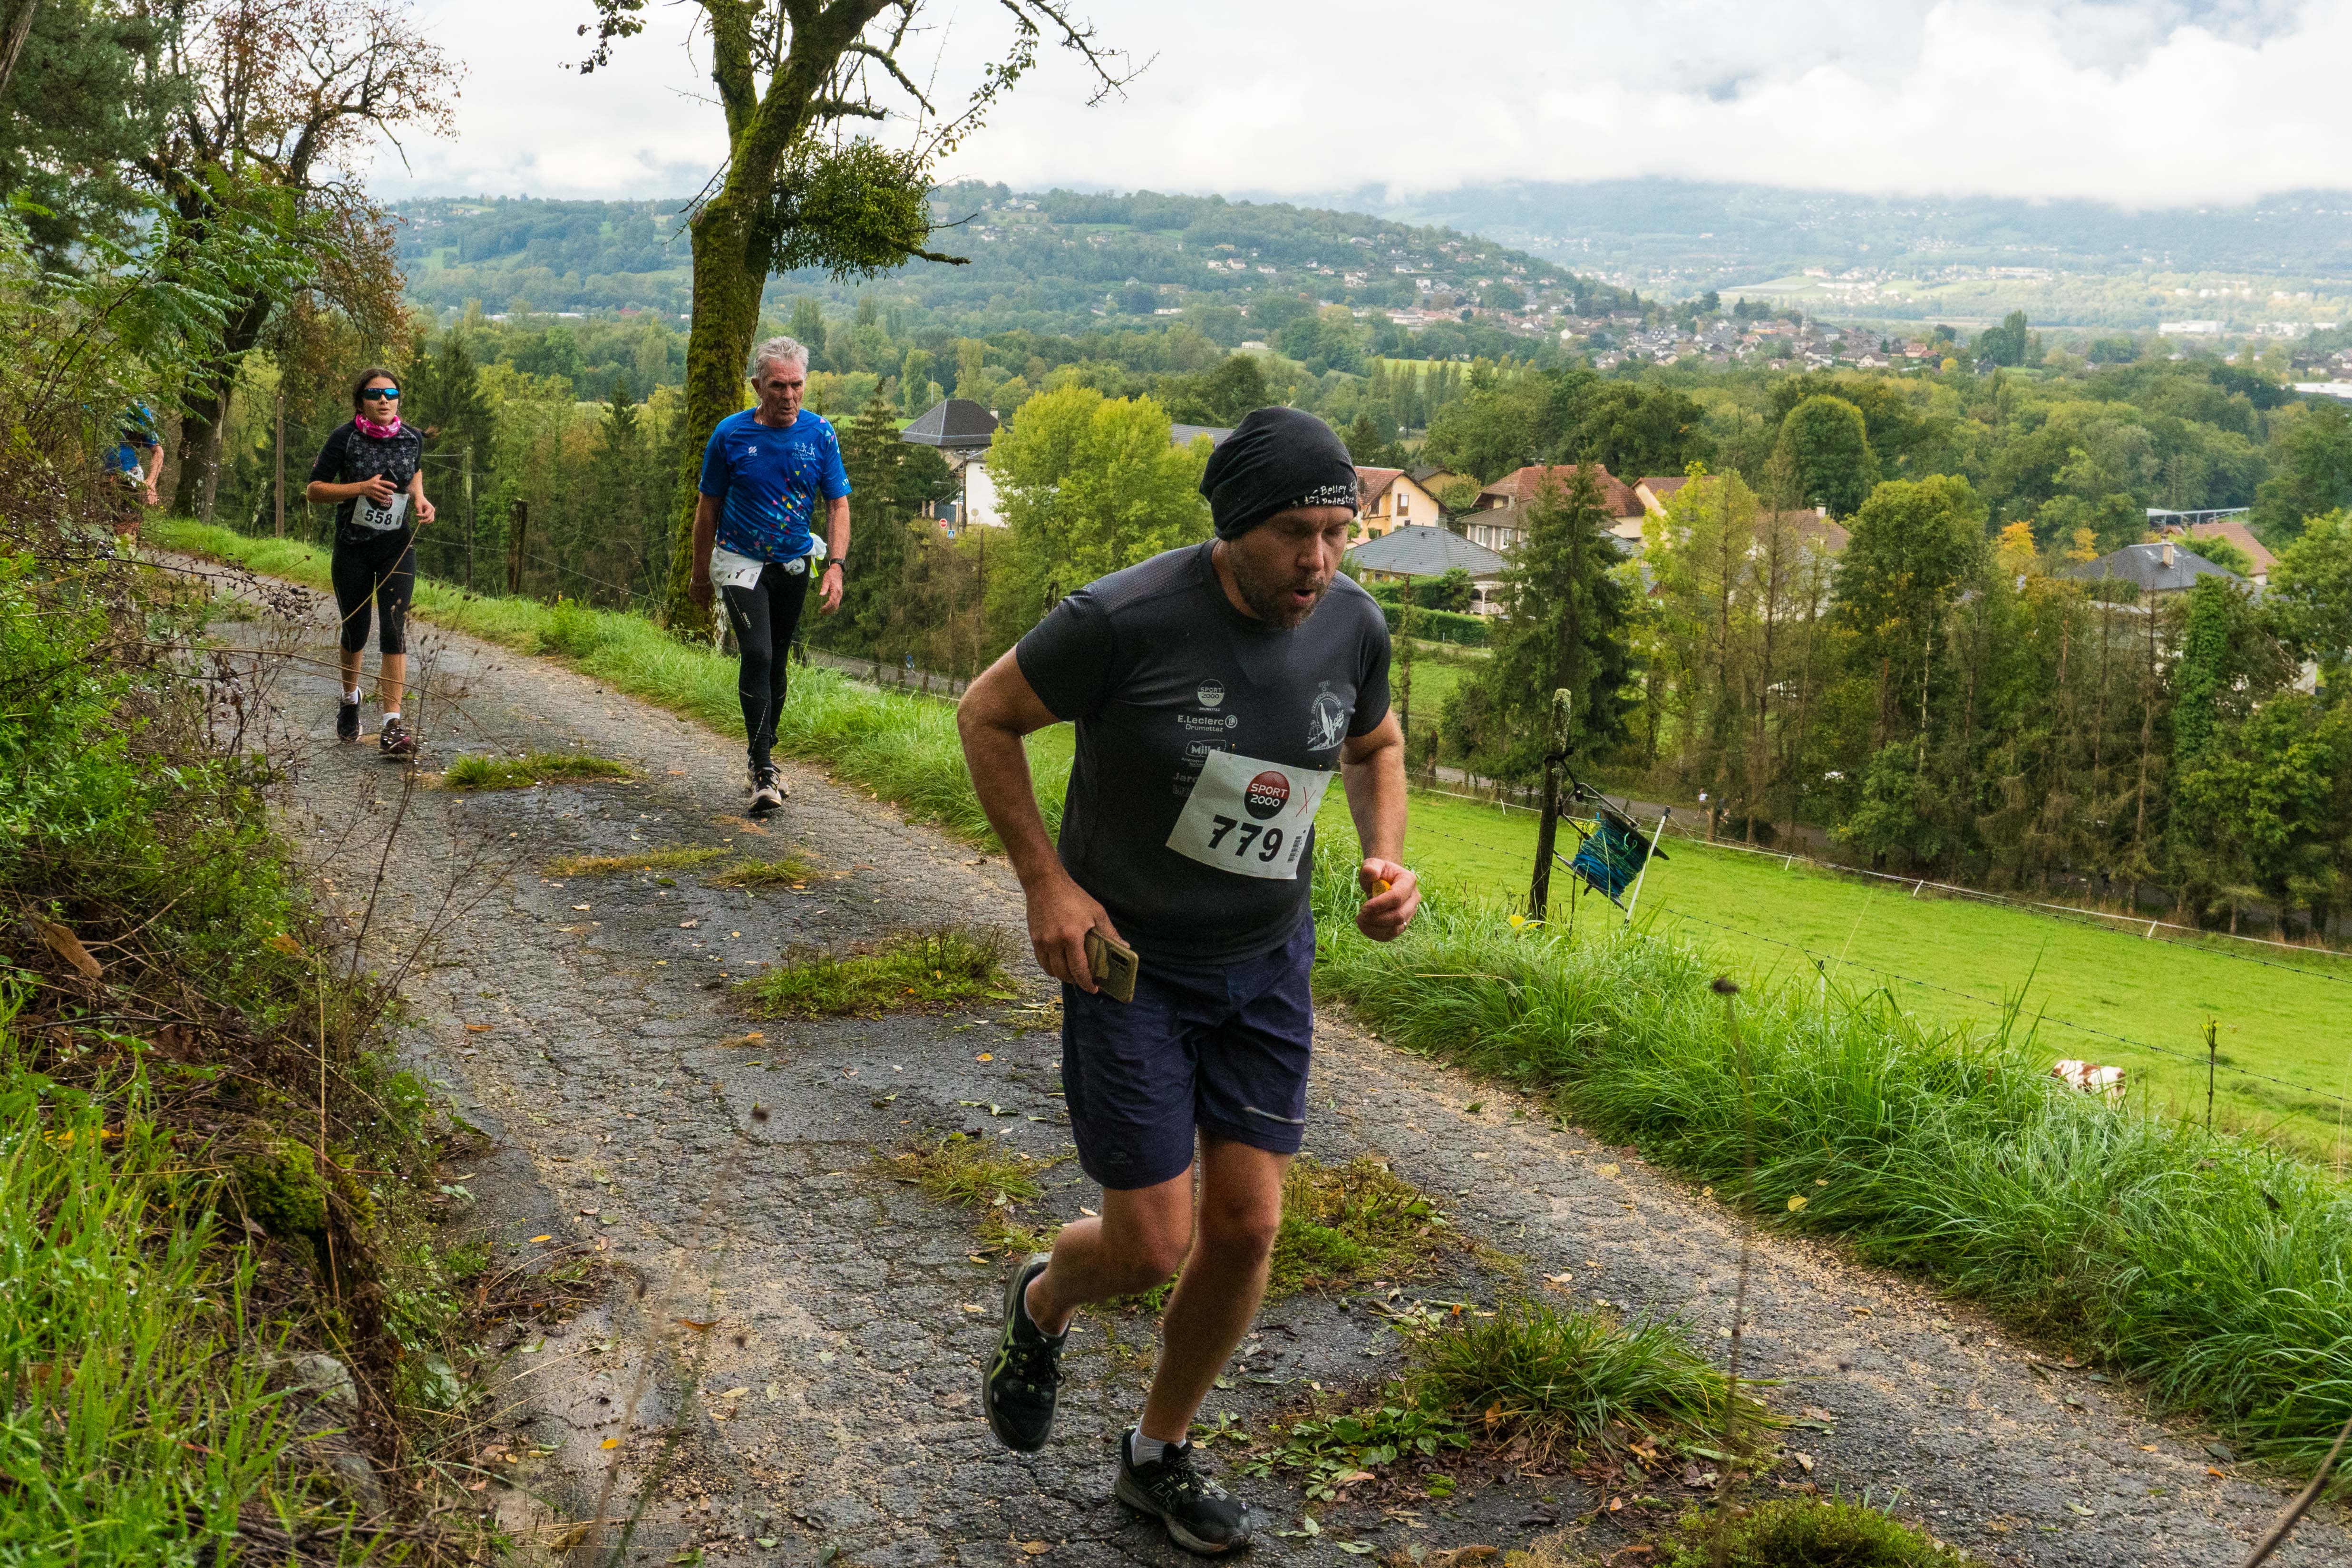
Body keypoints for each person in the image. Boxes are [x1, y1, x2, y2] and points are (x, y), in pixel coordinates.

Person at [957, 406, 1421, 1554]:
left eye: (1336, 533)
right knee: (1151, 1244)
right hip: (1133, 969)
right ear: (1233, 528)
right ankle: (1044, 1298)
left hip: (1265, 962)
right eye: (1292, 534)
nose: (1318, 560)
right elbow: (986, 714)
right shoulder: (1124, 619)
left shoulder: (1352, 624)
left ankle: (1156, 1453)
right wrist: (1047, 884)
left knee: (1248, 1227)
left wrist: (1384, 857)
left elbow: (1373, 744)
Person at [689, 335, 849, 816]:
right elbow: (708, 507)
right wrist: (700, 576)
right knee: (757, 653)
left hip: (793, 562)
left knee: (777, 662)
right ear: (758, 386)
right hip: (739, 561)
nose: (788, 396)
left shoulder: (820, 434)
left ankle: (765, 752)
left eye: (797, 385)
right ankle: (762, 769)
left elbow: (838, 506)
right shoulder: (730, 435)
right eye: (778, 386)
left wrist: (836, 566)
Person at [306, 368, 434, 757]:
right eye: (375, 394)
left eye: (391, 394)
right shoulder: (344, 438)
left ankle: (392, 725)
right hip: (353, 547)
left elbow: (414, 470)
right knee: (356, 631)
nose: (384, 400)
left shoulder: (411, 437)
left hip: (397, 546)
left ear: (399, 400)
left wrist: (420, 498)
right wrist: (361, 488)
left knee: (394, 630)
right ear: (360, 401)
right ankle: (350, 698)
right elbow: (314, 490)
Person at [109, 402, 162, 540]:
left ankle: (128, 549)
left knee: (125, 535)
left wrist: (151, 482)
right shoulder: (89, 402)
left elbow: (157, 451)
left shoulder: (139, 409)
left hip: (128, 478)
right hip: (97, 476)